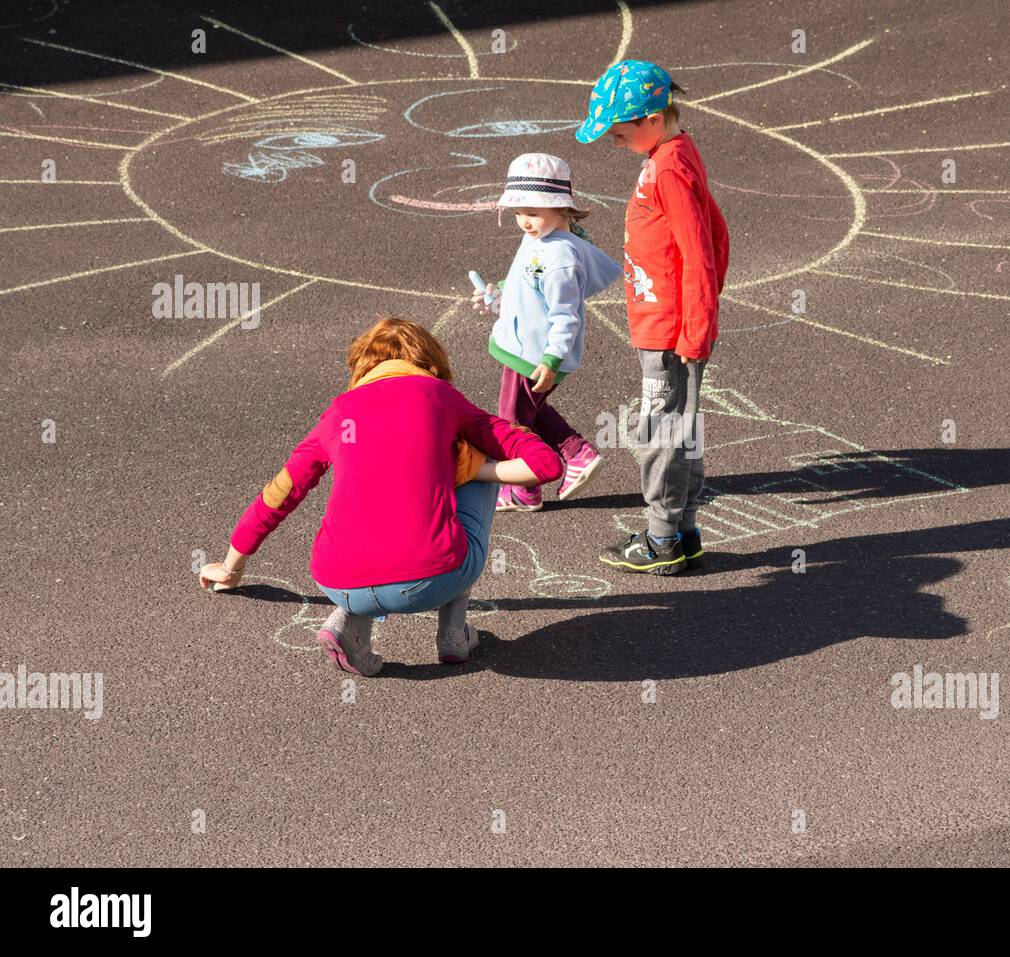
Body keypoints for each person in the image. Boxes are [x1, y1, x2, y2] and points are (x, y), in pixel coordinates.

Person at [197, 316, 563, 673]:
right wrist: (476, 470)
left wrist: (231, 569)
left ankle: (349, 621)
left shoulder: (338, 413)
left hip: (336, 582)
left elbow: (279, 495)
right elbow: (546, 465)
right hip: (431, 581)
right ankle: (453, 630)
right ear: (430, 363)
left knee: (371, 494)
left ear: (363, 367)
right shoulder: (440, 396)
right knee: (473, 460)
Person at [576, 60, 730, 574]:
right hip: (664, 324)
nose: (616, 145)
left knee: (659, 432)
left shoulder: (670, 167)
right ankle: (682, 531)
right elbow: (718, 231)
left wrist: (695, 329)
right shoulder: (672, 153)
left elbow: (701, 249)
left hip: (670, 332)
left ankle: (661, 540)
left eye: (619, 135)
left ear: (650, 121)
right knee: (678, 429)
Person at [472, 152, 623, 512]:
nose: (525, 221)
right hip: (526, 348)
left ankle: (541, 477)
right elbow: (526, 285)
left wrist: (551, 359)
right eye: (519, 212)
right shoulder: (541, 239)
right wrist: (498, 294)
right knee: (529, 413)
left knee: (513, 423)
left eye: (534, 212)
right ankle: (566, 460)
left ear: (562, 209)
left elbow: (565, 315)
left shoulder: (560, 259)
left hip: (536, 354)